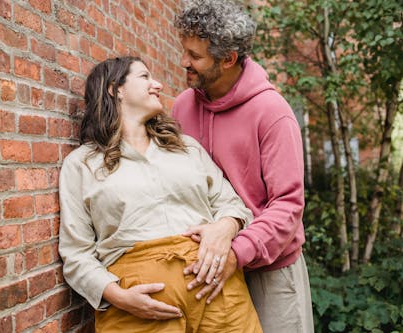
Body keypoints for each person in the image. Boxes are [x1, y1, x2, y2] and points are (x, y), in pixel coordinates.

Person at [58, 56, 262, 332]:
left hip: (219, 294)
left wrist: (226, 227)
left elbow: (232, 205)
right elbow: (76, 252)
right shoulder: (82, 164)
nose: (158, 85)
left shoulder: (186, 148)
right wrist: (119, 297)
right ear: (114, 89)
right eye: (145, 77)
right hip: (138, 310)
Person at [172, 1, 314, 332]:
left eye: (195, 56)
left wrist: (236, 252)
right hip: (203, 269)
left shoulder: (272, 112)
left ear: (228, 59)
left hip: (270, 274)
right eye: (184, 51)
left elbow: (288, 206)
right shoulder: (181, 107)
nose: (184, 62)